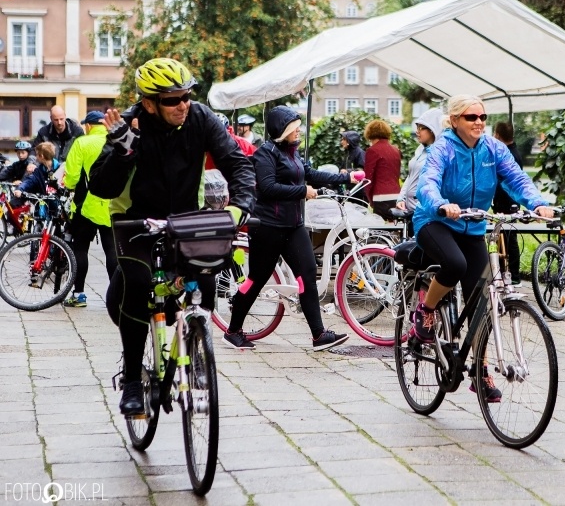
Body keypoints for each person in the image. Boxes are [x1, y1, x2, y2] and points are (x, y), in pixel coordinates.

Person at [88, 57, 255, 417]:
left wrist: (240, 205)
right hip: (135, 220)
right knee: (136, 285)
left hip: (183, 217)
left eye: (187, 96)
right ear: (149, 103)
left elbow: (236, 162)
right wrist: (123, 149)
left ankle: (196, 348)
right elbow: (101, 187)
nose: (183, 104)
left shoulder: (200, 117)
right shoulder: (130, 124)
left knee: (205, 281)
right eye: (172, 99)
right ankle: (133, 380)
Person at [412, 94, 554, 402]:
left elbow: (516, 178)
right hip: (435, 221)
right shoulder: (443, 148)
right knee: (455, 264)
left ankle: (481, 371)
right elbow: (428, 183)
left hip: (473, 226)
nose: (479, 122)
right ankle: (426, 310)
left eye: (482, 117)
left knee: (480, 306)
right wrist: (440, 204)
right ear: (454, 121)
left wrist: (537, 203)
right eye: (471, 117)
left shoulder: (494, 148)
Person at [224, 105, 358, 351]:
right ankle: (233, 331)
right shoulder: (265, 154)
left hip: (293, 226)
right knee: (256, 279)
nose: (299, 131)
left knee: (307, 274)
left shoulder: (292, 153)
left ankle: (319, 335)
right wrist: (302, 191)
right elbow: (267, 187)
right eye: (295, 128)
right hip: (267, 227)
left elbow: (311, 174)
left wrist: (346, 177)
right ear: (282, 130)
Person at [61, 111, 118, 308]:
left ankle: (79, 295)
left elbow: (72, 177)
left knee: (80, 248)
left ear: (89, 126)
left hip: (85, 206)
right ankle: (117, 296)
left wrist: (69, 185)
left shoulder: (82, 143)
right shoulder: (115, 141)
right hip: (112, 206)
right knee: (112, 250)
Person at [396, 108, 444, 236]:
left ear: (433, 129)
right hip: (411, 210)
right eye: (417, 127)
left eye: (421, 128)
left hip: (425, 213)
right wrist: (401, 198)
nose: (417, 131)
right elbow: (411, 176)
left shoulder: (439, 153)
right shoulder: (420, 149)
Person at [491, 121, 524, 285]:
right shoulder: (513, 152)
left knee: (510, 239)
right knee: (503, 238)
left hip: (507, 202)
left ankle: (514, 275)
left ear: (497, 135)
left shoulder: (509, 155)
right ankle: (503, 272)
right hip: (506, 202)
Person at [363, 119, 401, 221]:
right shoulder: (396, 150)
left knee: (380, 228)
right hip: (396, 195)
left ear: (370, 133)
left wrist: (370, 199)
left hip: (380, 196)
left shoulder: (372, 151)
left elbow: (368, 179)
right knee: (395, 226)